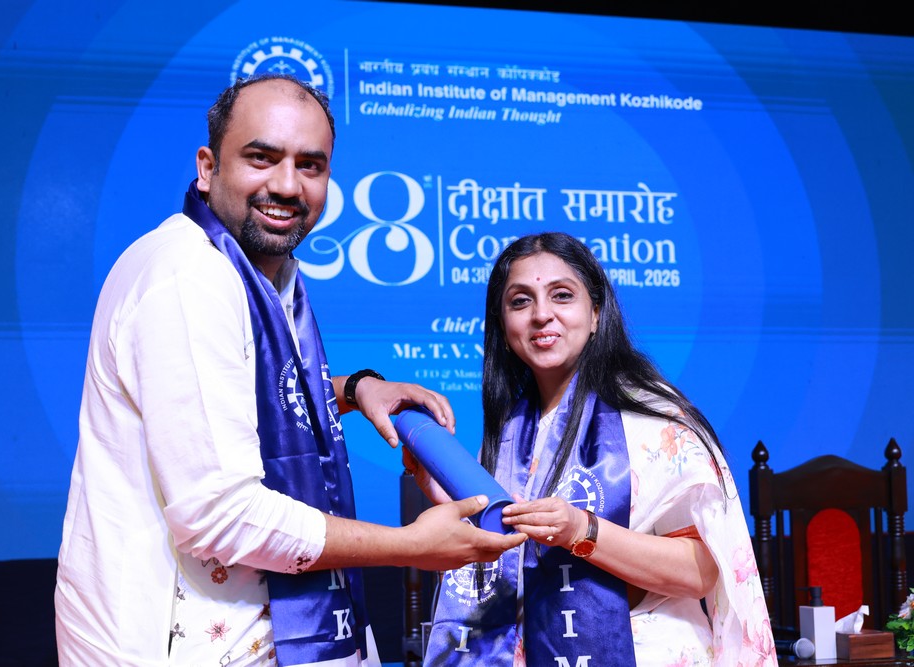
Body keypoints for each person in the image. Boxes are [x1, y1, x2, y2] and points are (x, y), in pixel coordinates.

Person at [53, 74, 526, 667]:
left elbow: (236, 399)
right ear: (207, 167)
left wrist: (353, 390)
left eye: (310, 165)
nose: (286, 184)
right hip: (172, 642)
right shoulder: (189, 278)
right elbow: (220, 515)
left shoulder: (258, 271)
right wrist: (411, 545)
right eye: (261, 157)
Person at [407, 232, 776, 666]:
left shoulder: (653, 416)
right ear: (503, 327)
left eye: (562, 295)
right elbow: (513, 552)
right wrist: (452, 497)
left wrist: (582, 531)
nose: (542, 314)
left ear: (596, 313)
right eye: (521, 301)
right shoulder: (513, 428)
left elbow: (700, 572)